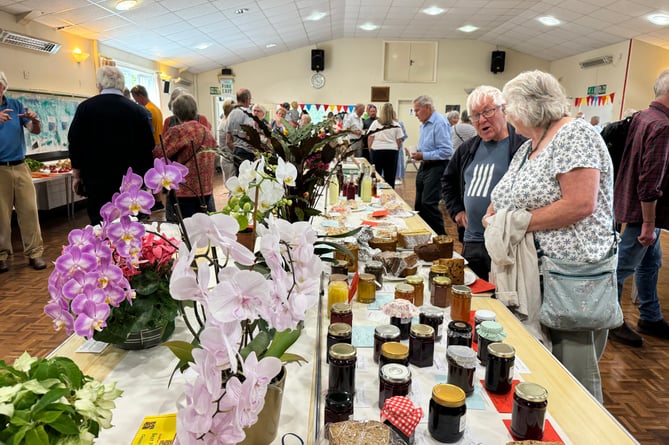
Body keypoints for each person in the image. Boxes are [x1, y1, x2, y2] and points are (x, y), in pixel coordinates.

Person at [487, 70, 615, 402]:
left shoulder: (575, 135)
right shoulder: (531, 144)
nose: (508, 116)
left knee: (573, 376)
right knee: (542, 368)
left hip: (568, 277)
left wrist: (515, 223)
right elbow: (509, 194)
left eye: (509, 107)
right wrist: (495, 214)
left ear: (527, 107)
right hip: (536, 273)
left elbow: (579, 204)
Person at [609, 69, 669, 348]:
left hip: (632, 207)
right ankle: (612, 320)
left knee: (650, 263)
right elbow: (650, 179)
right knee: (622, 268)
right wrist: (648, 223)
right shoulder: (663, 125)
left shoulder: (642, 117)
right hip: (643, 214)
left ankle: (650, 316)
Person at [441, 86, 527, 279]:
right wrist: (457, 211)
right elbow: (448, 181)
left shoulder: (522, 146)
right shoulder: (467, 149)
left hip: (506, 243)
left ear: (503, 110)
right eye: (475, 115)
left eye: (487, 111)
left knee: (503, 302)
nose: (481, 120)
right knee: (471, 296)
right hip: (472, 240)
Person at [68, 66, 155, 225]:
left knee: (100, 224)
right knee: (130, 225)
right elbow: (148, 145)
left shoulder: (85, 108)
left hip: (96, 179)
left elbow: (75, 142)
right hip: (129, 182)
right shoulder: (137, 111)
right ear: (121, 86)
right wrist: (145, 180)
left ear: (99, 85)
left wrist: (77, 175)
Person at [0, 71, 46, 272]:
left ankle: (35, 254)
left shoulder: (16, 105)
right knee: (1, 216)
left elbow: (34, 130)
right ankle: (1, 256)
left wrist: (34, 120)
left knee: (29, 211)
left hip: (20, 165)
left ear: (3, 87)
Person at [153, 93, 217, 222]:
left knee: (182, 232)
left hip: (183, 192)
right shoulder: (206, 131)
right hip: (206, 189)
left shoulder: (178, 131)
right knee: (203, 230)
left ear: (176, 112)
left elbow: (159, 153)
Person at [410, 95, 452, 235]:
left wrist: (423, 155)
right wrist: (418, 152)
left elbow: (446, 151)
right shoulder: (424, 124)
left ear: (427, 107)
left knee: (428, 203)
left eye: (417, 110)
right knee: (419, 204)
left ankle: (442, 238)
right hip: (425, 165)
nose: (415, 114)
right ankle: (423, 235)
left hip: (437, 166)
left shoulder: (439, 123)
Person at [367, 103, 404, 188]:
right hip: (391, 151)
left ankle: (375, 194)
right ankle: (390, 197)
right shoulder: (396, 125)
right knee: (390, 177)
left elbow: (370, 138)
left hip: (377, 151)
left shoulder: (375, 123)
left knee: (375, 176)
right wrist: (396, 149)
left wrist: (370, 150)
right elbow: (399, 141)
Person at [226, 88, 255, 175]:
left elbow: (228, 140)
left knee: (239, 178)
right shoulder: (247, 113)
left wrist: (235, 149)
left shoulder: (231, 114)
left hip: (235, 152)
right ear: (247, 99)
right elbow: (249, 134)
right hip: (246, 153)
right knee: (247, 180)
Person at [394, 117, 409, 185]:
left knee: (398, 161)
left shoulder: (399, 123)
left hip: (398, 146)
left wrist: (399, 141)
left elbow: (404, 135)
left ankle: (398, 177)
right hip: (388, 146)